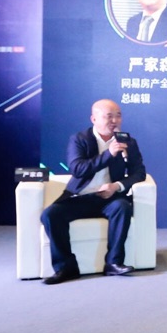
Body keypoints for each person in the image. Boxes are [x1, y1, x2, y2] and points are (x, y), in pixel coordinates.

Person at [40, 98, 146, 284]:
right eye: (109, 116)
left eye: (118, 116)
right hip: (80, 197)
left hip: (110, 199)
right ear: (94, 119)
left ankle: (113, 263)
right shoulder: (79, 139)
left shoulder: (128, 142)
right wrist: (108, 154)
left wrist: (117, 186)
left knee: (122, 208)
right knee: (50, 215)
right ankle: (66, 267)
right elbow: (78, 169)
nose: (115, 121)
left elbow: (139, 173)